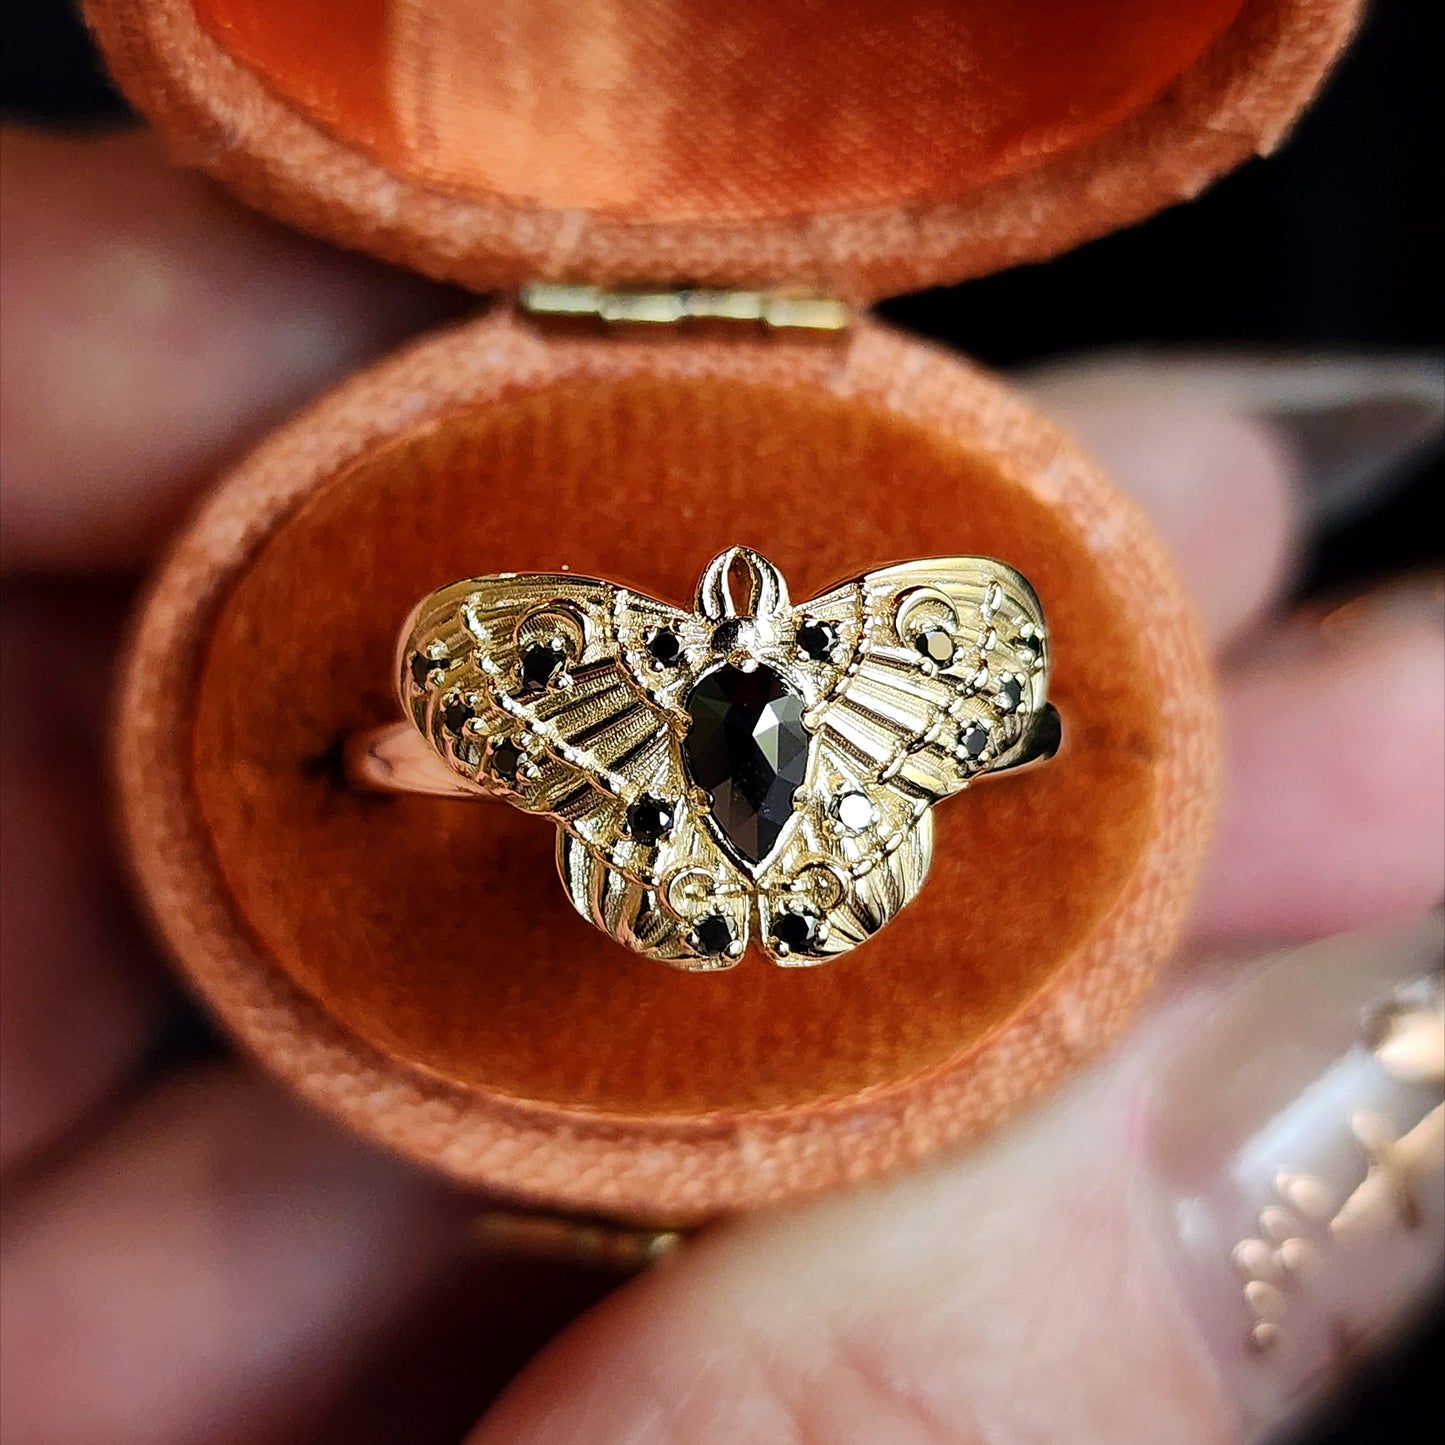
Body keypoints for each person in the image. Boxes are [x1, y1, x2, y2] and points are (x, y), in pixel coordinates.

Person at [1, 129, 1441, 1445]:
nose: (747, 626)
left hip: (747, 829)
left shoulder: (617, 657)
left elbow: (1026, 729)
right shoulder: (727, 649)